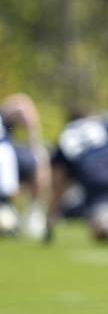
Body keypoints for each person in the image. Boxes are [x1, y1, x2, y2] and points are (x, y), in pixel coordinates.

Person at [47, 109, 108, 243]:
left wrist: (49, 223)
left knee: (100, 232)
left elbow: (58, 184)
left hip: (95, 175)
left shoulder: (68, 132)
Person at [0, 93, 51, 237]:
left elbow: (23, 106)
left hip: (6, 155)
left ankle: (32, 213)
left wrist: (35, 144)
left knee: (39, 157)